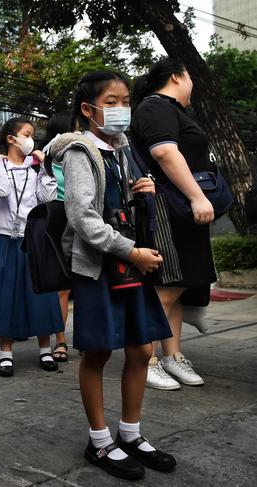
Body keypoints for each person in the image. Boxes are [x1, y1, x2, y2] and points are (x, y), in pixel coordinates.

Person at [50, 71, 176, 480]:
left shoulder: (123, 149)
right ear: (88, 110)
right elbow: (83, 217)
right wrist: (132, 251)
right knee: (99, 352)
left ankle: (131, 434)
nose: (122, 108)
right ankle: (100, 441)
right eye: (112, 101)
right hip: (100, 269)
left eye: (126, 100)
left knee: (141, 350)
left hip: (131, 264)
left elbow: (125, 200)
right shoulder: (79, 152)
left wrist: (144, 191)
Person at [131, 58, 215, 391]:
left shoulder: (169, 109)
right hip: (168, 209)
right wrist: (197, 197)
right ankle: (146, 359)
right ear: (177, 77)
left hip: (180, 209)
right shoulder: (155, 107)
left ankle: (173, 356)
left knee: (177, 285)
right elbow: (166, 153)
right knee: (166, 287)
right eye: (190, 76)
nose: (193, 82)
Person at [0, 117, 64, 377]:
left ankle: (45, 350)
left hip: (32, 240)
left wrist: (45, 168)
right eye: (27, 134)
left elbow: (47, 198)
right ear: (11, 139)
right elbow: (1, 191)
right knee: (6, 296)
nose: (31, 140)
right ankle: (5, 354)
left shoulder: (34, 168)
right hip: (5, 239)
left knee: (40, 295)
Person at [41, 112, 74, 362]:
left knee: (87, 284)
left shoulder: (84, 152)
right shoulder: (46, 157)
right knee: (62, 288)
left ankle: (89, 337)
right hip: (57, 221)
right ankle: (60, 341)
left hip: (85, 218)